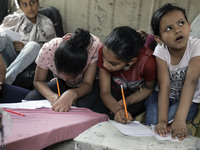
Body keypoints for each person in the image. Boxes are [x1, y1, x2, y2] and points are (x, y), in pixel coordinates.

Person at [145, 3, 200, 141]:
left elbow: (191, 81)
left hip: (188, 99)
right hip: (163, 95)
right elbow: (165, 86)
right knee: (154, 122)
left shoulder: (196, 46)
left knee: (174, 119)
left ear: (189, 25)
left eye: (181, 23)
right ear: (159, 39)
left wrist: (180, 119)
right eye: (168, 28)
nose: (177, 30)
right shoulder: (160, 51)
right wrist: (162, 120)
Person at [25, 28, 102, 112]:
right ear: (55, 61)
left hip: (88, 85)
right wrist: (52, 96)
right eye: (61, 73)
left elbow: (87, 84)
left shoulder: (94, 48)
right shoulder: (49, 50)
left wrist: (72, 93)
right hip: (61, 84)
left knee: (84, 105)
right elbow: (38, 81)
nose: (66, 79)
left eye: (73, 75)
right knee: (31, 98)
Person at [92, 26, 157, 124]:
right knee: (96, 115)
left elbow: (148, 89)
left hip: (136, 94)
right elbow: (105, 92)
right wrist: (118, 110)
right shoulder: (105, 51)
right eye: (104, 58)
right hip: (114, 88)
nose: (105, 65)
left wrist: (128, 101)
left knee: (121, 119)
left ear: (131, 61)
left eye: (113, 64)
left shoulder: (148, 62)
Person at [0, 0, 56, 85]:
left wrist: (24, 47)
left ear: (38, 3)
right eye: (24, 5)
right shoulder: (15, 19)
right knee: (2, 37)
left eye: (32, 3)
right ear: (20, 7)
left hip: (33, 61)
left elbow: (52, 49)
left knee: (33, 45)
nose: (29, 8)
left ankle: (6, 80)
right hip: (13, 56)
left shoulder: (46, 23)